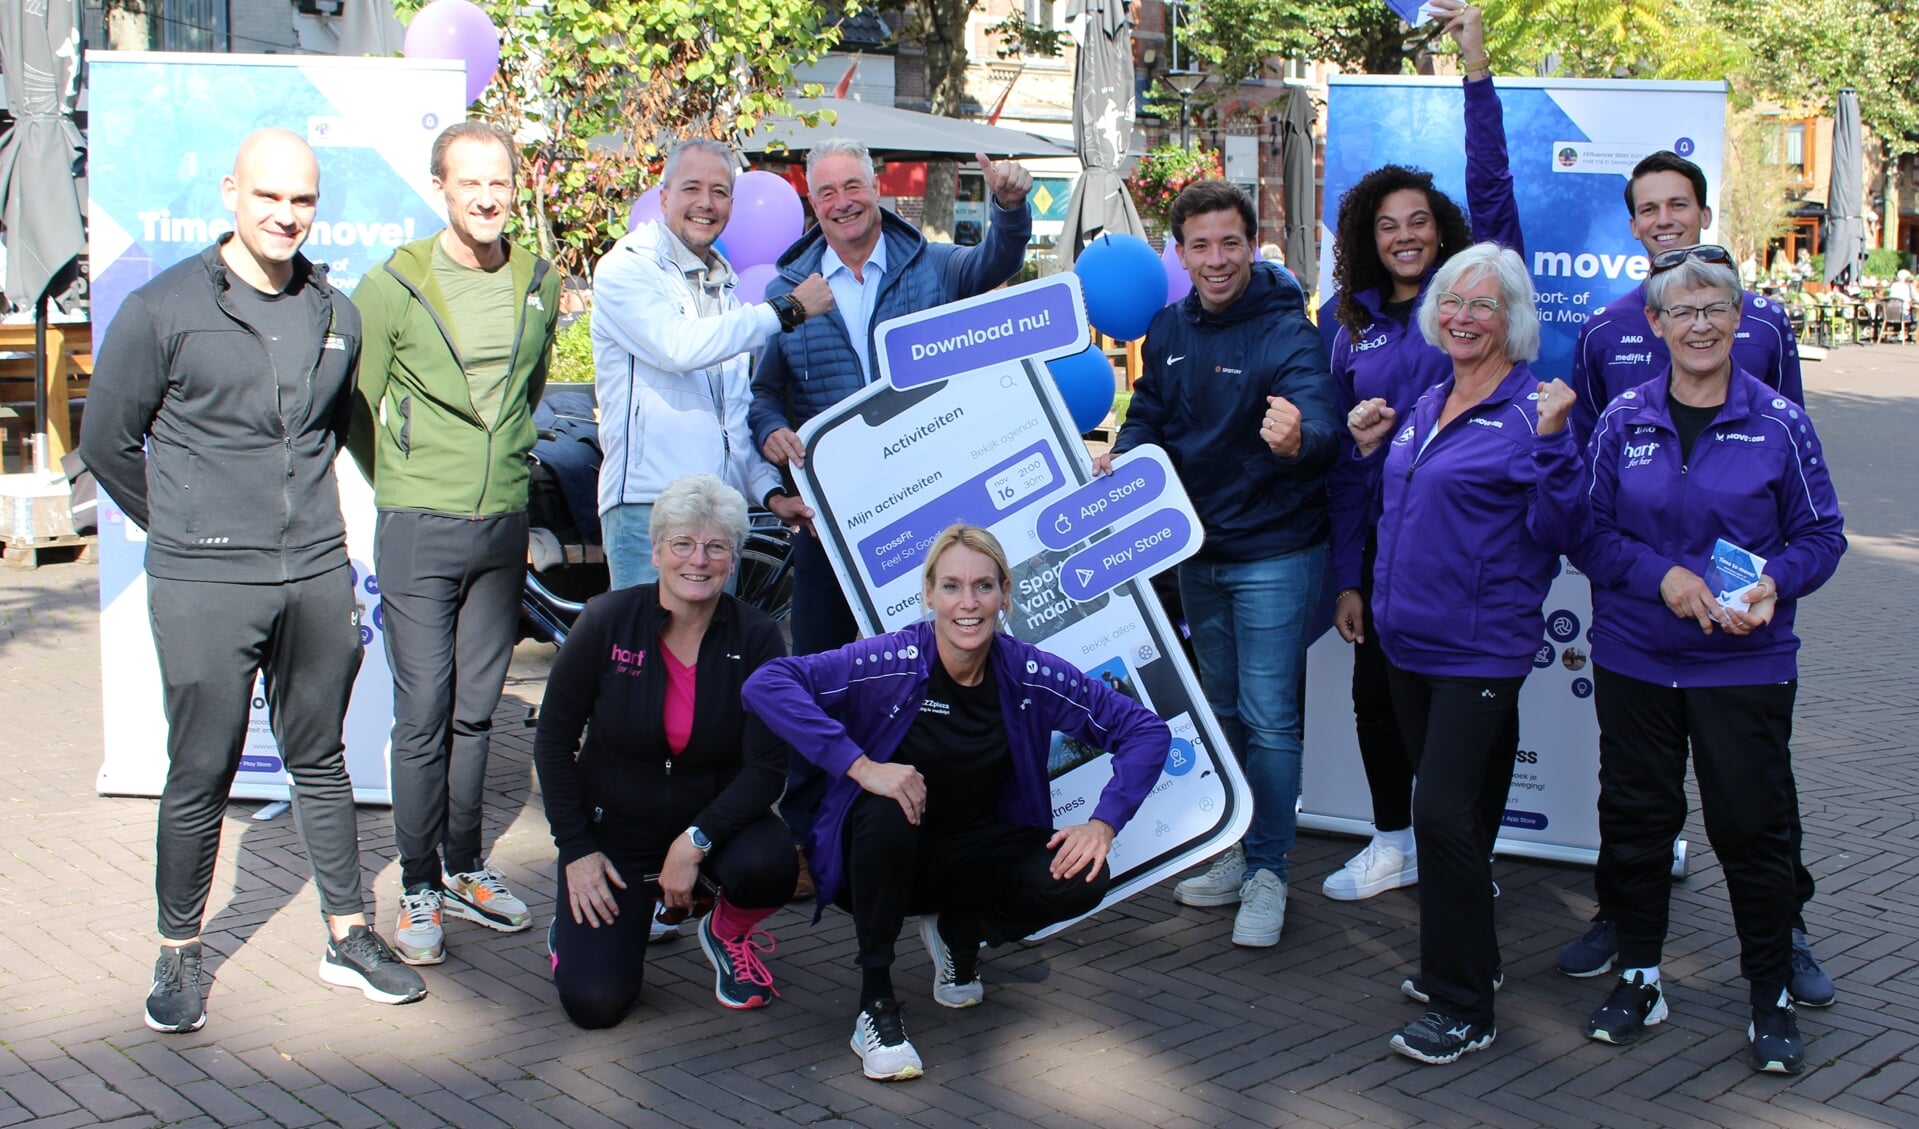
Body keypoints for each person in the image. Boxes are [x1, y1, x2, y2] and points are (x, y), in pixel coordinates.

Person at [80, 129, 427, 1032]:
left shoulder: (336, 313)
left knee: (321, 759)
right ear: (231, 191)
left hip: (313, 571)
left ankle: (348, 933)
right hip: (204, 580)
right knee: (201, 768)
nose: (285, 214)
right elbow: (106, 443)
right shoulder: (164, 308)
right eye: (269, 196)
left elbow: (333, 436)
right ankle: (178, 951)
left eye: (302, 200)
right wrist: (188, 531)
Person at [741, 525, 1169, 1081]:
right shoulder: (892, 659)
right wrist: (863, 767)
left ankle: (959, 932)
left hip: (970, 857)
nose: (968, 604)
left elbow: (1145, 731)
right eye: (951, 587)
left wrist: (1104, 823)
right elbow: (768, 683)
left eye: (983, 587)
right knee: (888, 805)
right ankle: (874, 1003)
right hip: (874, 864)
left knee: (1083, 875)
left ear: (1004, 595)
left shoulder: (1029, 673)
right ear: (929, 594)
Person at [1571, 249, 1846, 1073]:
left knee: (1751, 832)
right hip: (1635, 659)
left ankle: (1769, 993)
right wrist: (1663, 576)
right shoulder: (1622, 418)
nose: (1698, 325)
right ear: (1653, 324)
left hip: (1743, 663)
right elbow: (1588, 533)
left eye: (1713, 310)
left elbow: (1821, 535)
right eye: (1681, 312)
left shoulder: (1779, 422)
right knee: (1637, 822)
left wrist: (1774, 580)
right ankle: (1642, 975)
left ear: (1738, 320)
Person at [748, 138, 1032, 879]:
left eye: (853, 185)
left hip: (926, 521)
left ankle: (929, 825)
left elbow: (995, 264)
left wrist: (1007, 206)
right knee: (816, 669)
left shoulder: (930, 265)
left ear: (877, 188)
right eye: (826, 192)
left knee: (927, 677)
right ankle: (809, 834)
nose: (841, 201)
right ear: (812, 204)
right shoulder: (790, 286)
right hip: (830, 527)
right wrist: (769, 432)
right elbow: (761, 391)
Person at [1346, 243, 1582, 1064]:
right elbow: (1406, 505)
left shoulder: (1530, 414)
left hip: (1479, 651)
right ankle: (1466, 959)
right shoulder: (1428, 398)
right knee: (1460, 818)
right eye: (1451, 301)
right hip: (1407, 643)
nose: (1461, 316)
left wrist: (1554, 441)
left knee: (1440, 816)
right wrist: (1371, 447)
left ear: (1511, 320)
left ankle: (1462, 1005)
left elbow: (1560, 532)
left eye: (1482, 305)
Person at [1093, 178, 1337, 948]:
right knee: (1221, 711)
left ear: (1251, 244)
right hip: (1196, 552)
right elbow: (1152, 415)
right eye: (1199, 244)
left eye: (1229, 241)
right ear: (1180, 251)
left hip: (1272, 551)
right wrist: (1125, 457)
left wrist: (1302, 434)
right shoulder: (1165, 327)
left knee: (1269, 719)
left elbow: (1320, 416)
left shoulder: (1287, 330)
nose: (1215, 258)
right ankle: (1233, 851)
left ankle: (1268, 870)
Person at [1318, 0, 1519, 904]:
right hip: (1382, 555)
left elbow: (1492, 179)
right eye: (1386, 225)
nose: (1404, 235)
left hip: (1471, 551)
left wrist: (1473, 63)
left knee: (1477, 714)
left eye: (1418, 221)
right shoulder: (1342, 323)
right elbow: (1334, 457)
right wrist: (1345, 575)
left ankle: (1466, 856)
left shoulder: (1469, 296)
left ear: (1440, 227)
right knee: (1377, 701)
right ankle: (1392, 840)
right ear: (1368, 235)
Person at [350, 121, 563, 965]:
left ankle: (466, 866)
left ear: (514, 187)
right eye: (468, 182)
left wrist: (496, 478)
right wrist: (406, 481)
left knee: (478, 712)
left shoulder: (536, 281)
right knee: (424, 713)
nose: (485, 196)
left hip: (500, 522)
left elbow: (530, 389)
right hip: (417, 523)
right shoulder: (394, 283)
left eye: (499, 182)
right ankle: (415, 879)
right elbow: (355, 407)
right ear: (440, 186)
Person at [533, 474, 798, 1025]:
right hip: (614, 835)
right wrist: (577, 849)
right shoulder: (606, 620)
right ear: (656, 551)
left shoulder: (757, 637)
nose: (697, 560)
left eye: (716, 546)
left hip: (712, 825)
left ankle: (724, 932)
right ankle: (579, 925)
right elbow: (554, 743)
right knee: (596, 1004)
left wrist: (695, 840)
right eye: (682, 543)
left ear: (733, 558)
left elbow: (768, 767)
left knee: (771, 861)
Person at [592, 138, 831, 590]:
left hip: (720, 513)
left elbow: (733, 420)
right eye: (692, 188)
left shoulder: (723, 291)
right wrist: (786, 310)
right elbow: (677, 346)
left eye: (720, 192)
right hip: (650, 509)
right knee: (649, 658)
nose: (706, 203)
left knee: (714, 661)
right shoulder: (627, 268)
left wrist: (770, 492)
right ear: (664, 198)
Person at [1569, 152, 1802, 449]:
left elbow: (1792, 440)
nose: (1664, 220)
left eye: (1678, 205)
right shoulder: (1602, 330)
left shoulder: (1766, 322)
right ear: (1634, 225)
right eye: (1650, 209)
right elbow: (1588, 452)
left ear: (1705, 215)